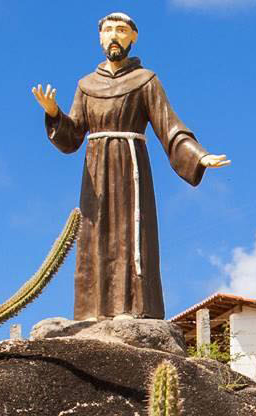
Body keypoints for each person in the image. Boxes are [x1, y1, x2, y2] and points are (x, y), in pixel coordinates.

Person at [31, 12, 230, 320]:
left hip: (131, 166)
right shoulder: (85, 85)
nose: (114, 36)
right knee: (94, 237)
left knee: (133, 233)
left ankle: (137, 308)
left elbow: (169, 125)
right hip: (95, 172)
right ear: (99, 38)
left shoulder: (145, 80)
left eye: (121, 30)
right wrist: (54, 113)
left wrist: (198, 155)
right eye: (108, 30)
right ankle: (92, 312)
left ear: (133, 38)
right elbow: (72, 139)